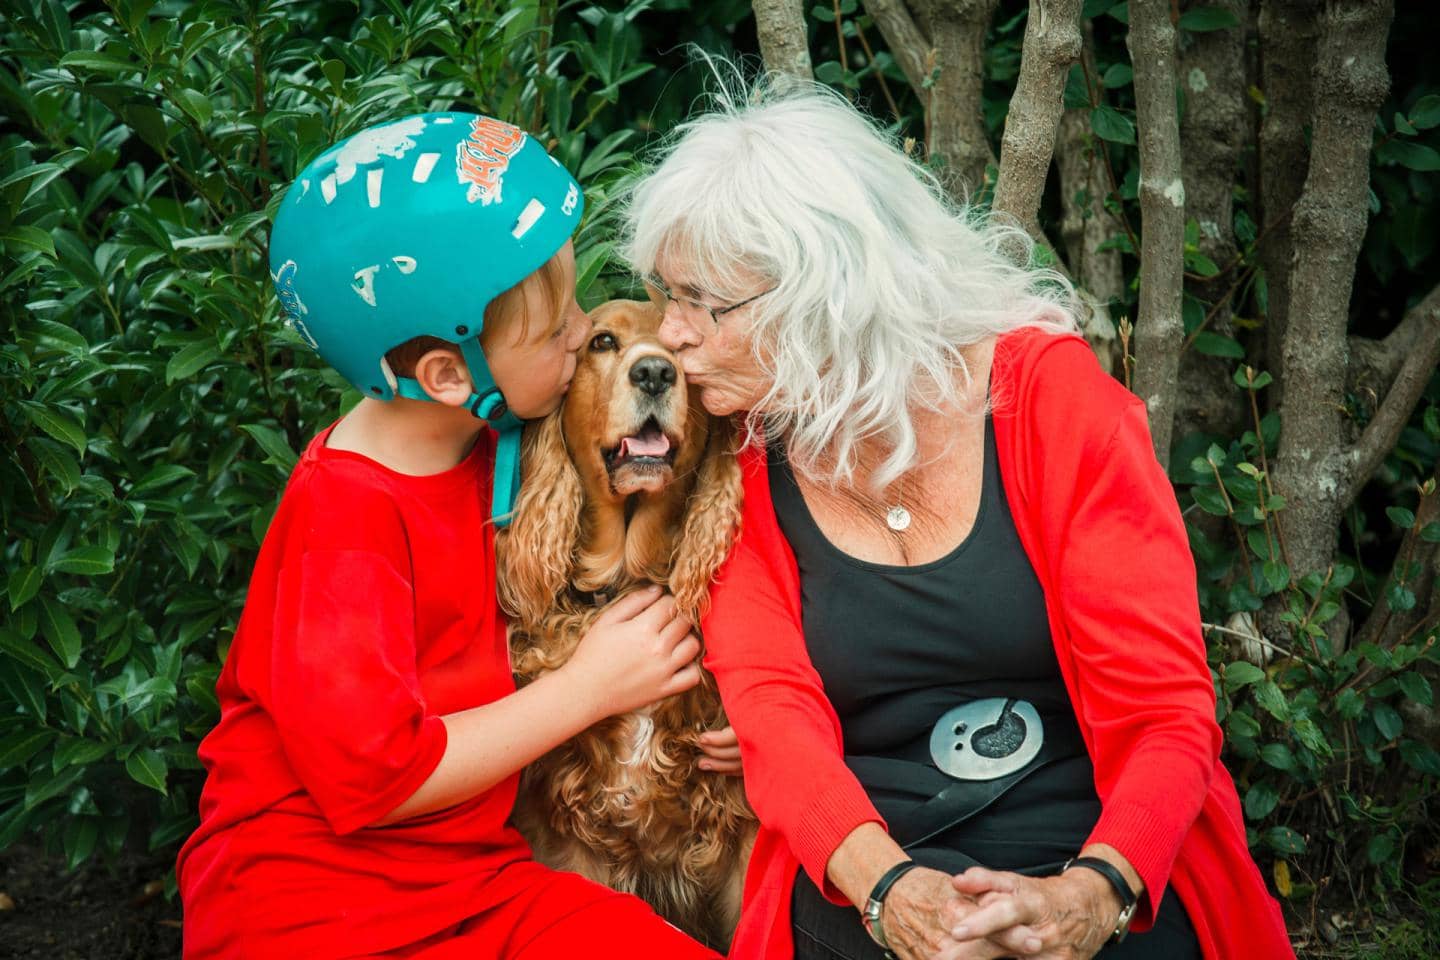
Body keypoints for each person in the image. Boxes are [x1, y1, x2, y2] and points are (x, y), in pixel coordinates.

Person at [622, 78, 1295, 960]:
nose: (668, 333)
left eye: (699, 304)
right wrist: (892, 892)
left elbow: (1164, 711)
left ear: (825, 293)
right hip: (864, 855)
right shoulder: (739, 453)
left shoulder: (1051, 403)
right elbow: (775, 717)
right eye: (662, 294)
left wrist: (1089, 898)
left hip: (1099, 839)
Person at [176, 112, 723, 959]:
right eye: (556, 329)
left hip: (475, 879)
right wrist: (589, 688)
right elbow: (380, 784)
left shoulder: (490, 436)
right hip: (314, 903)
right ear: (446, 375)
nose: (583, 331)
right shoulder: (345, 518)